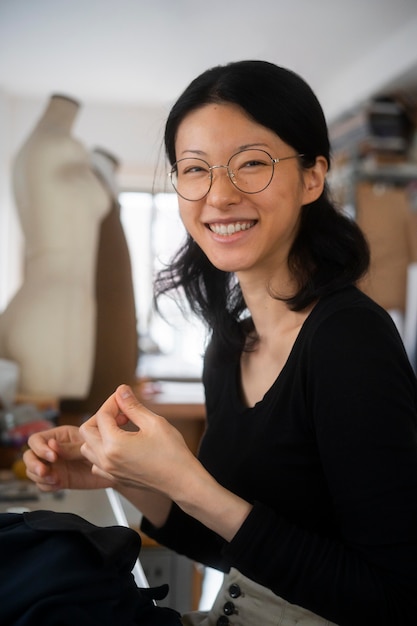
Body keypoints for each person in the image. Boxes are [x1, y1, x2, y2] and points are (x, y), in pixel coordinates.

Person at [24, 61, 417, 625]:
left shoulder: (349, 342)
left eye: (252, 163)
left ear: (313, 177)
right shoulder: (231, 346)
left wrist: (186, 478)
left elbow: (396, 600)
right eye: (195, 170)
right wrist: (130, 477)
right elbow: (236, 547)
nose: (220, 195)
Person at [0, 94, 111, 398]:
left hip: (39, 302)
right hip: (53, 312)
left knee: (35, 430)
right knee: (44, 432)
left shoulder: (37, 150)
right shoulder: (53, 147)